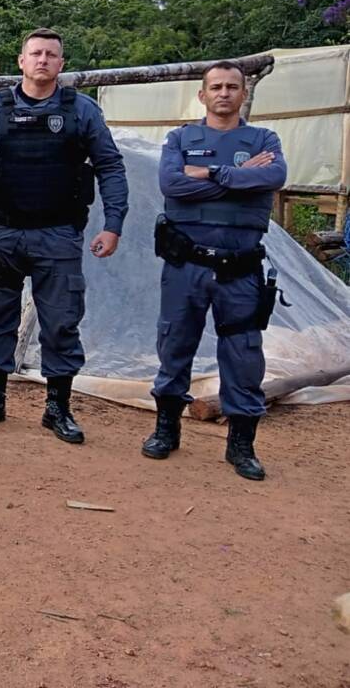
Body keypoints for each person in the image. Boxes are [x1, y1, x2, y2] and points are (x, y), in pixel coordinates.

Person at [0, 28, 128, 444]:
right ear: (21, 61)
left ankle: (57, 408)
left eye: (50, 55)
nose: (42, 60)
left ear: (61, 63)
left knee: (60, 323)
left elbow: (109, 166)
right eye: (35, 53)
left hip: (57, 234)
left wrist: (113, 225)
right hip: (2, 231)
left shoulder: (81, 111)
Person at [142, 61, 285, 480]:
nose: (224, 93)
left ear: (243, 94)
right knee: (174, 344)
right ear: (202, 95)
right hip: (186, 264)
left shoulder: (264, 138)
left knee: (243, 355)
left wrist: (210, 172)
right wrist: (242, 177)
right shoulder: (181, 137)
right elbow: (172, 184)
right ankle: (166, 429)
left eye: (232, 87)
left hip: (239, 269)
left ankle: (241, 445)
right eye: (216, 87)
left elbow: (275, 175)